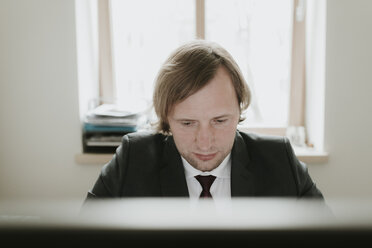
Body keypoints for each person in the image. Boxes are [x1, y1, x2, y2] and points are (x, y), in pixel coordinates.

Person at [86, 40, 323, 200]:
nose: (205, 143)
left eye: (219, 121)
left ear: (238, 109)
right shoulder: (133, 159)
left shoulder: (279, 160)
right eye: (188, 123)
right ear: (166, 118)